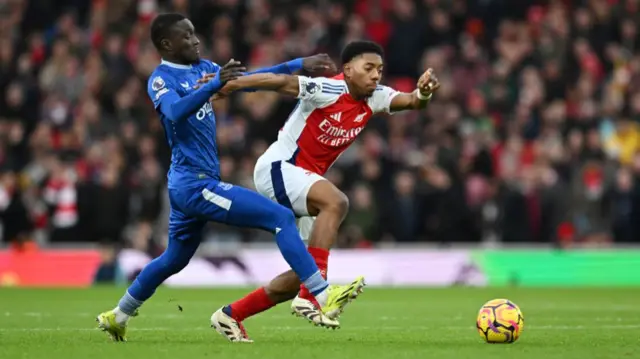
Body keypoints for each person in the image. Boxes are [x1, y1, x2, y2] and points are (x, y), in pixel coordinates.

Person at [95, 13, 363, 343]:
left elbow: (250, 78)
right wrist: (213, 83)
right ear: (167, 44)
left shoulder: (203, 67)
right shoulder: (161, 79)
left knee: (173, 259)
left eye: (195, 34)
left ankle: (118, 315)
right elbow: (175, 113)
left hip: (192, 183)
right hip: (194, 184)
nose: (195, 40)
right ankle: (322, 295)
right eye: (187, 36)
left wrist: (297, 62)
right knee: (280, 217)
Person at [204, 40, 441, 341]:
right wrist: (228, 84)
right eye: (368, 68)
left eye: (379, 70)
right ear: (348, 69)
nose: (375, 76)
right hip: (279, 167)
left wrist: (424, 91)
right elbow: (280, 82)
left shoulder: (375, 98)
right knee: (337, 202)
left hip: (302, 182)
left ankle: (230, 314)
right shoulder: (329, 89)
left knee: (300, 274)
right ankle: (315, 295)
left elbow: (412, 102)